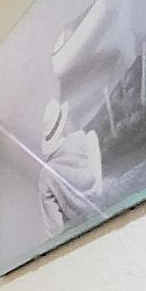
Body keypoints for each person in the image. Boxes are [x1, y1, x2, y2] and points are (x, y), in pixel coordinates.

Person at [37, 97, 103, 235]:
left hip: (79, 227)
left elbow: (55, 229)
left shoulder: (46, 175)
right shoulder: (85, 140)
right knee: (92, 137)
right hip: (98, 201)